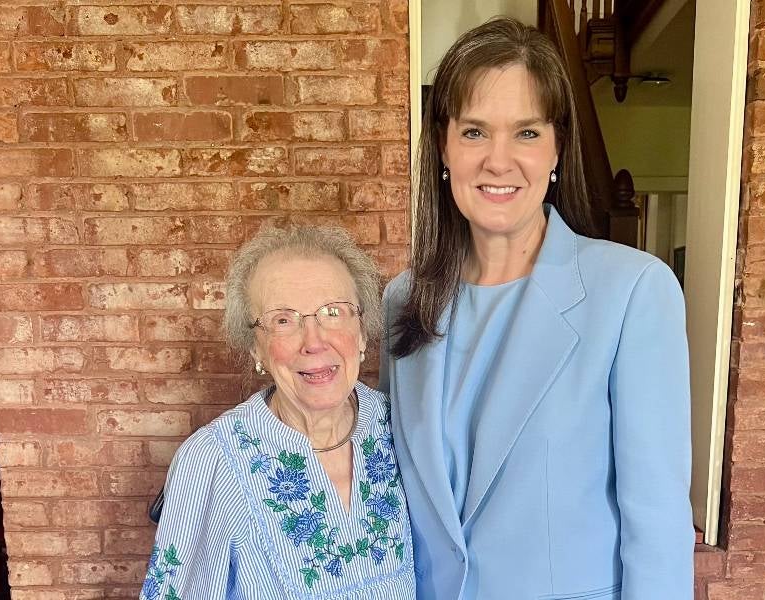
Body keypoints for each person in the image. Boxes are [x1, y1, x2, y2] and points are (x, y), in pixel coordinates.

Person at [380, 17, 693, 600]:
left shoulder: (633, 292)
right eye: (474, 132)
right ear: (443, 145)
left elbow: (658, 524)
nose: (499, 160)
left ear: (557, 148)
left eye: (526, 133)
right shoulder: (404, 300)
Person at [141, 226, 415, 599]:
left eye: (333, 312)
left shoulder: (402, 427)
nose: (314, 341)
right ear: (256, 348)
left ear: (363, 333)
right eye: (283, 320)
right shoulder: (211, 460)